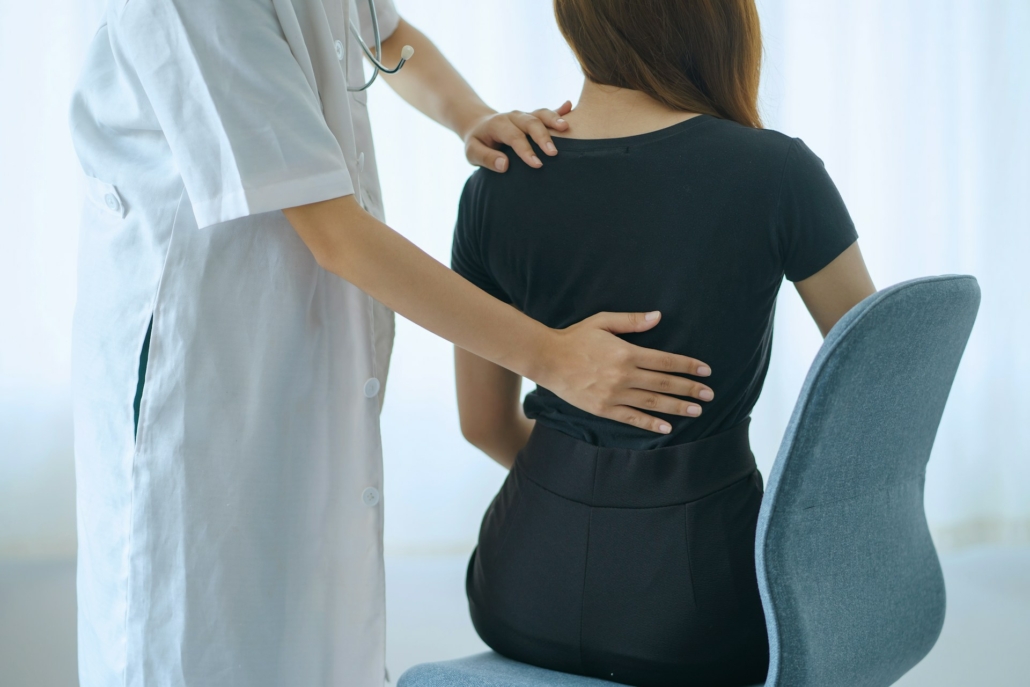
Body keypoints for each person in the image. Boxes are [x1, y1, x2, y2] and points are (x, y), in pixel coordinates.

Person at [67, 1, 716, 685]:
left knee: (309, 622)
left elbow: (385, 33)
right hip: (198, 373)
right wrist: (553, 357)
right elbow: (336, 235)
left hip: (303, 356)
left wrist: (472, 117)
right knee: (200, 633)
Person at [453, 1, 878, 685]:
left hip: (517, 589)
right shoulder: (776, 171)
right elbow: (880, 382)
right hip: (699, 611)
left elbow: (482, 424)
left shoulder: (494, 183)